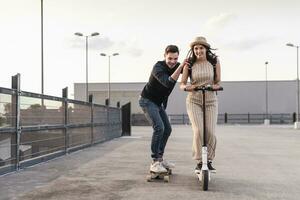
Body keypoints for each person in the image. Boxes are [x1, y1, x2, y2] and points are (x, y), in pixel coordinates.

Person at [139, 45, 185, 173]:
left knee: (167, 129)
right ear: (164, 56)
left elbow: (190, 68)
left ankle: (160, 158)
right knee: (159, 128)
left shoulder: (177, 65)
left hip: (158, 104)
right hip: (147, 101)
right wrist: (180, 67)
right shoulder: (158, 67)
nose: (172, 62)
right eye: (170, 58)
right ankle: (155, 162)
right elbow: (168, 82)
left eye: (175, 59)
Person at [180, 36, 221, 173]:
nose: (198, 51)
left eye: (201, 48)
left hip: (210, 100)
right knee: (198, 131)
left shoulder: (214, 62)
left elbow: (218, 82)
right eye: (196, 48)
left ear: (206, 49)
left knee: (210, 132)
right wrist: (187, 87)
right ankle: (199, 160)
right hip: (194, 100)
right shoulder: (189, 64)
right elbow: (182, 83)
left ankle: (208, 160)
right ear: (193, 50)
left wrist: (215, 86)